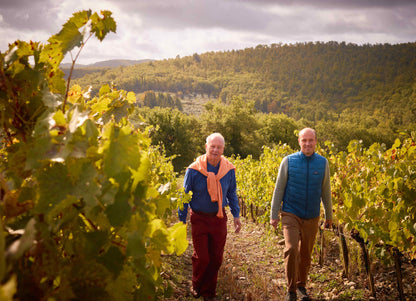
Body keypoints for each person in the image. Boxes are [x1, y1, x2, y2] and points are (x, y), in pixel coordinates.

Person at [270, 128, 332, 301]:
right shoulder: (288, 161)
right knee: (291, 248)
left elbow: (326, 190)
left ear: (316, 141)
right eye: (304, 140)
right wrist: (274, 215)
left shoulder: (323, 163)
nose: (307, 143)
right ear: (299, 141)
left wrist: (329, 215)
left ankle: (301, 286)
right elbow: (279, 188)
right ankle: (290, 290)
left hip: (312, 215)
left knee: (305, 253)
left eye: (310, 140)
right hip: (291, 213)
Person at [179, 132, 242, 301]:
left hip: (219, 218)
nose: (215, 150)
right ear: (206, 147)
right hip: (199, 218)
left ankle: (208, 292)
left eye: (218, 147)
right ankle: (196, 283)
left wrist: (236, 215)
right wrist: (181, 221)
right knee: (203, 258)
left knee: (215, 259)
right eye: (212, 146)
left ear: (223, 149)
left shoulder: (228, 170)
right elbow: (184, 196)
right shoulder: (193, 170)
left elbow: (232, 193)